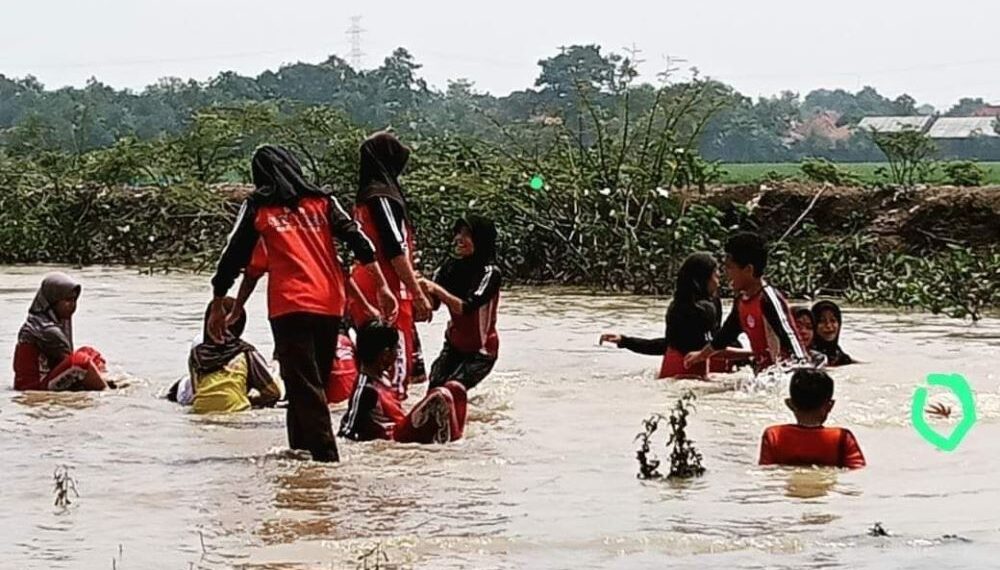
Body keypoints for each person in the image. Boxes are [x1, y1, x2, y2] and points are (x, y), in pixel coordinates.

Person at [208, 145, 398, 463]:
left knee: (306, 389)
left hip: (290, 307)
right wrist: (382, 287)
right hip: (329, 305)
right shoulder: (323, 201)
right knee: (309, 387)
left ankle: (327, 463)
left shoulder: (259, 207)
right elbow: (359, 241)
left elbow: (233, 254)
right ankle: (301, 457)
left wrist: (219, 298)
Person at [348, 131, 433, 400]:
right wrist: (417, 293)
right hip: (385, 290)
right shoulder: (382, 198)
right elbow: (395, 250)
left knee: (375, 367)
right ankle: (390, 427)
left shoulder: (364, 198)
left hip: (367, 287)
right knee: (393, 367)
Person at [600, 252, 749, 379]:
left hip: (684, 372)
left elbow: (673, 344)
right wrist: (752, 354)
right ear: (702, 280)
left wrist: (626, 341)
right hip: (684, 375)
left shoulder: (693, 304)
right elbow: (707, 349)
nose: (718, 283)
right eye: (716, 277)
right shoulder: (696, 310)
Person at [686, 232, 808, 373]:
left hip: (783, 375)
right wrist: (700, 356)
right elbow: (724, 336)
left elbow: (790, 337)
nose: (725, 273)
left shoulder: (768, 299)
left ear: (749, 269)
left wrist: (803, 371)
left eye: (730, 267)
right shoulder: (741, 301)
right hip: (763, 376)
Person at [339, 321, 467, 444]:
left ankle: (456, 440)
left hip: (401, 428)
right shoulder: (366, 388)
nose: (397, 355)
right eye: (397, 350)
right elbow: (348, 428)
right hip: (395, 438)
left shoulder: (384, 377)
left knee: (456, 388)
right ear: (385, 354)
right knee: (441, 396)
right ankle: (452, 445)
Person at [419, 215, 502, 390]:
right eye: (458, 233)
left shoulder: (490, 273)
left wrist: (435, 288)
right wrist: (418, 288)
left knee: (454, 388)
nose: (459, 239)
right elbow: (432, 306)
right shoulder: (449, 267)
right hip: (454, 343)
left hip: (481, 351)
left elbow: (467, 308)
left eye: (466, 234)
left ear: (480, 240)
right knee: (435, 385)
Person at [13, 273, 110, 391]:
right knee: (80, 361)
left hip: (48, 377)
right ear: (52, 301)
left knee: (89, 352)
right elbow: (70, 361)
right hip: (36, 386)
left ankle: (102, 380)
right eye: (68, 300)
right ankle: (105, 389)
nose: (73, 305)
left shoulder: (49, 322)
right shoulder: (46, 329)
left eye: (74, 300)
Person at [182, 298, 282, 414]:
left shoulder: (196, 355)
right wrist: (252, 401)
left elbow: (198, 393)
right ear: (239, 326)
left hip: (199, 415)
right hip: (236, 415)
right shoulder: (245, 352)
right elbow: (273, 393)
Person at [758, 368, 866, 469]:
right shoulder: (841, 438)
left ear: (789, 404)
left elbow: (768, 472)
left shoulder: (774, 435)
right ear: (830, 406)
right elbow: (857, 471)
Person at [812, 300, 854, 367]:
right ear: (813, 325)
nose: (828, 326)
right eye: (822, 321)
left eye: (833, 320)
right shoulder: (810, 356)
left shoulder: (840, 356)